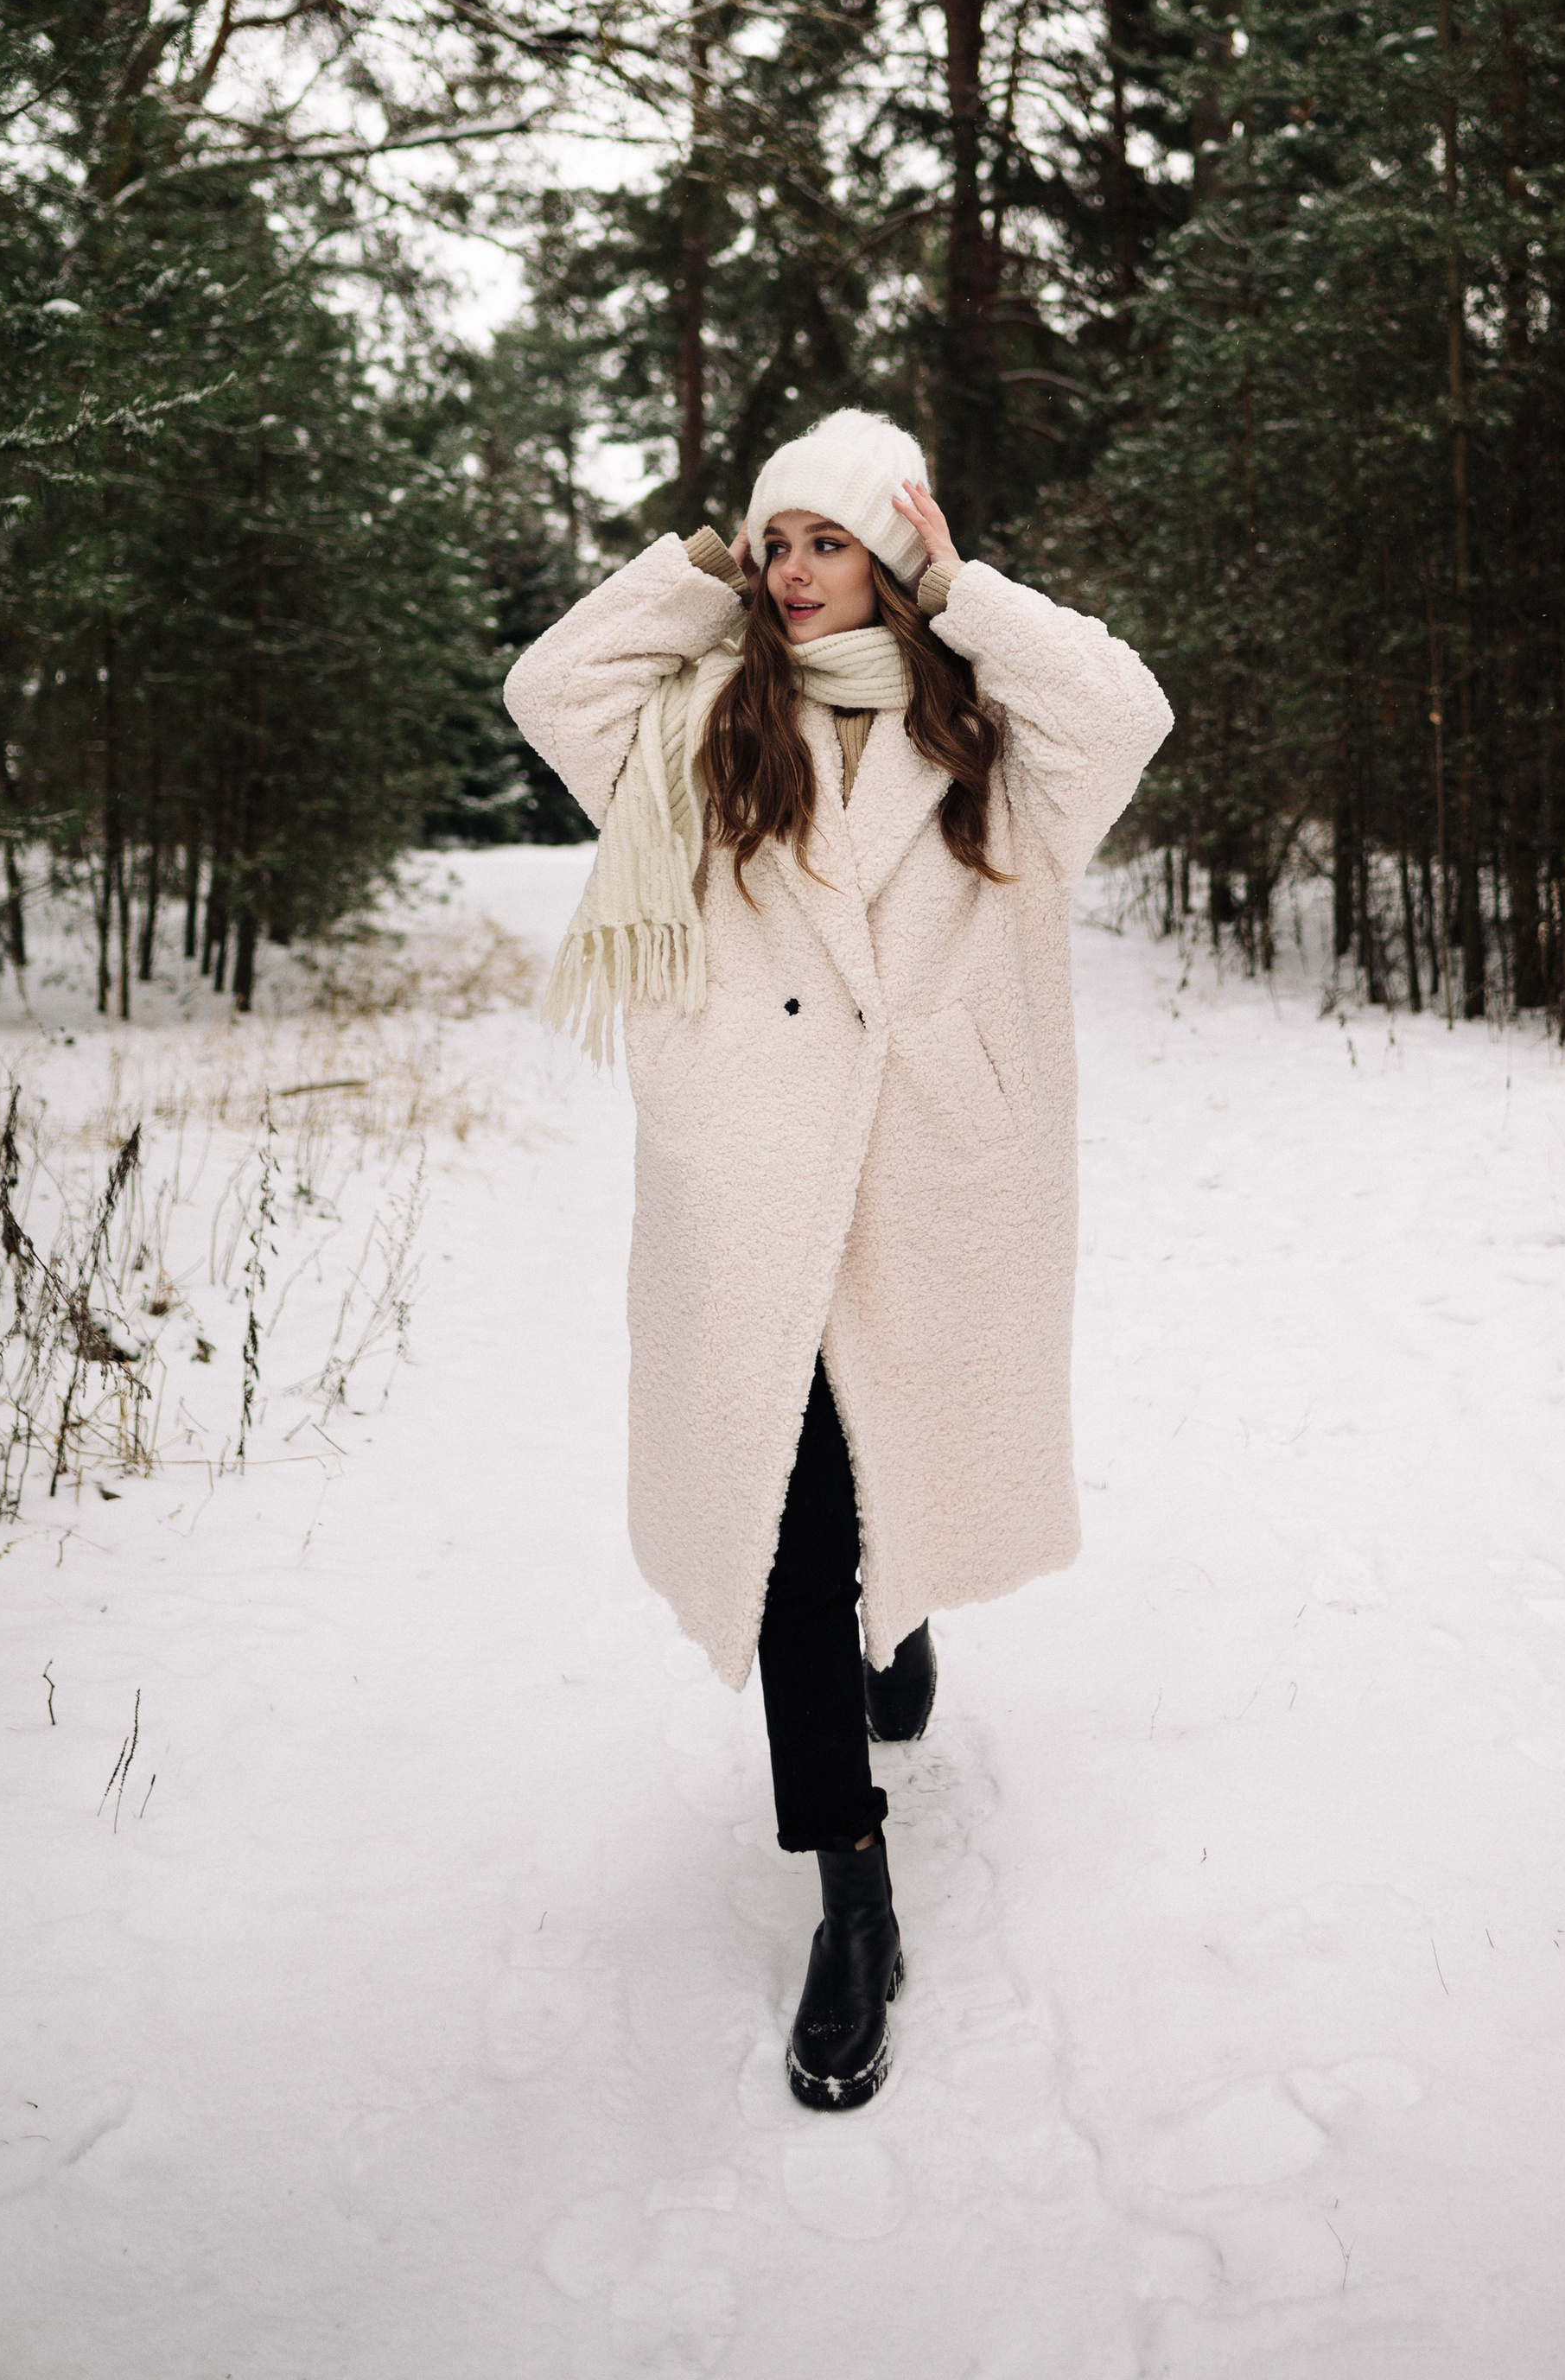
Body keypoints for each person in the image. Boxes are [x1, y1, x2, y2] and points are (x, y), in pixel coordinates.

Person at [503, 409, 1171, 2110]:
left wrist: (964, 591)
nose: (795, 572)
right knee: (792, 1516)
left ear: (888, 551)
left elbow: (1129, 708)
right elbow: (546, 692)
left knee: (889, 1472)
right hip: (752, 1174)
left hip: (934, 1165)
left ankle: (900, 1620)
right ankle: (851, 1895)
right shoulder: (700, 730)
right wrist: (694, 574)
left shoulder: (992, 737)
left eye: (825, 540)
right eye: (773, 542)